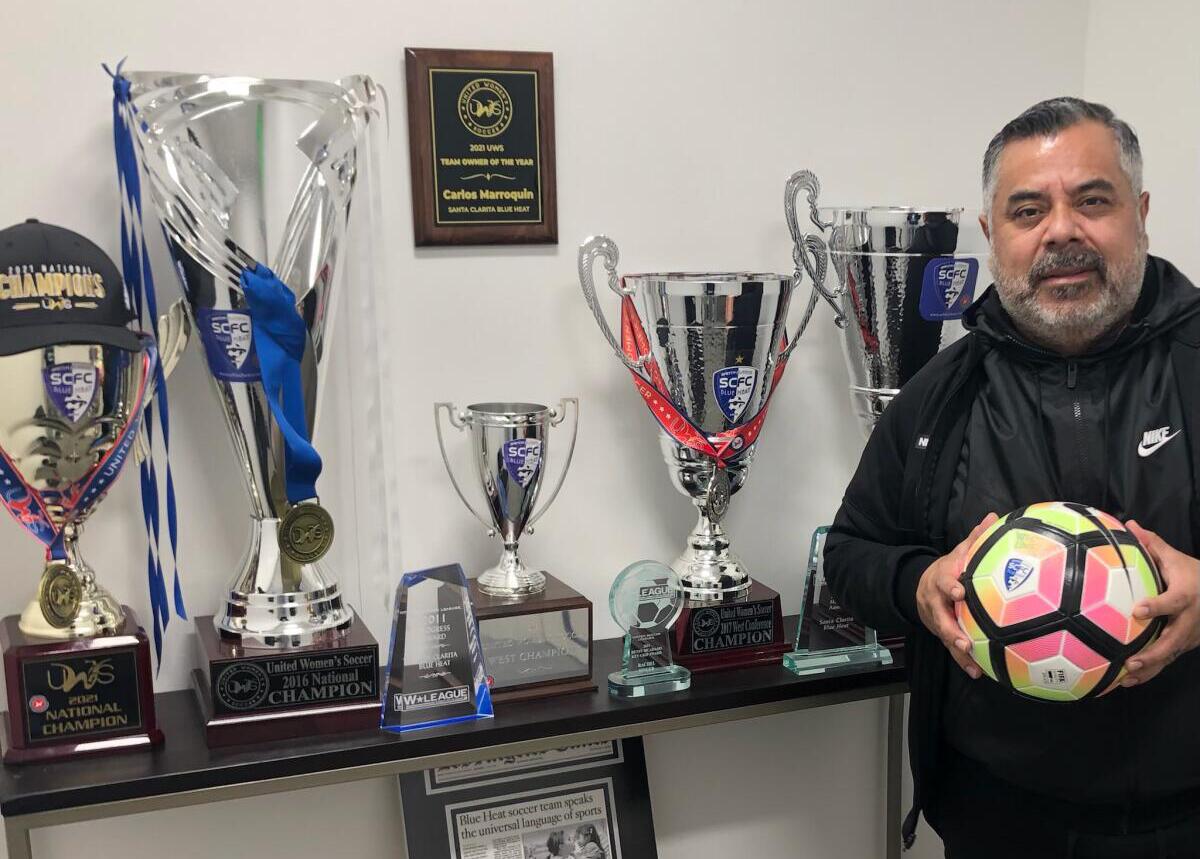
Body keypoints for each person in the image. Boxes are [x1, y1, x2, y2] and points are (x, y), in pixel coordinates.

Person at [824, 96, 1200, 858]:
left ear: (1141, 212)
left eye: (1092, 200)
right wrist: (920, 584)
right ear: (995, 236)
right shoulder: (941, 393)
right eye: (1028, 210)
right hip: (999, 826)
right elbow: (851, 556)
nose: (1061, 230)